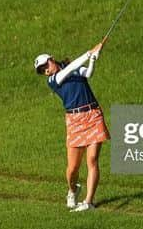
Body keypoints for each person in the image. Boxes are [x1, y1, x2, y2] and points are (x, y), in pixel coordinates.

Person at [34, 43, 109, 212]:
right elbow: (70, 69)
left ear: (52, 59)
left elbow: (88, 73)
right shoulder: (53, 80)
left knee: (92, 160)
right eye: (42, 70)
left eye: (45, 65)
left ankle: (88, 202)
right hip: (75, 121)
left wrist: (93, 60)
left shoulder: (71, 68)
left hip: (93, 114)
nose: (45, 70)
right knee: (72, 168)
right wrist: (89, 53)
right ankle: (73, 190)